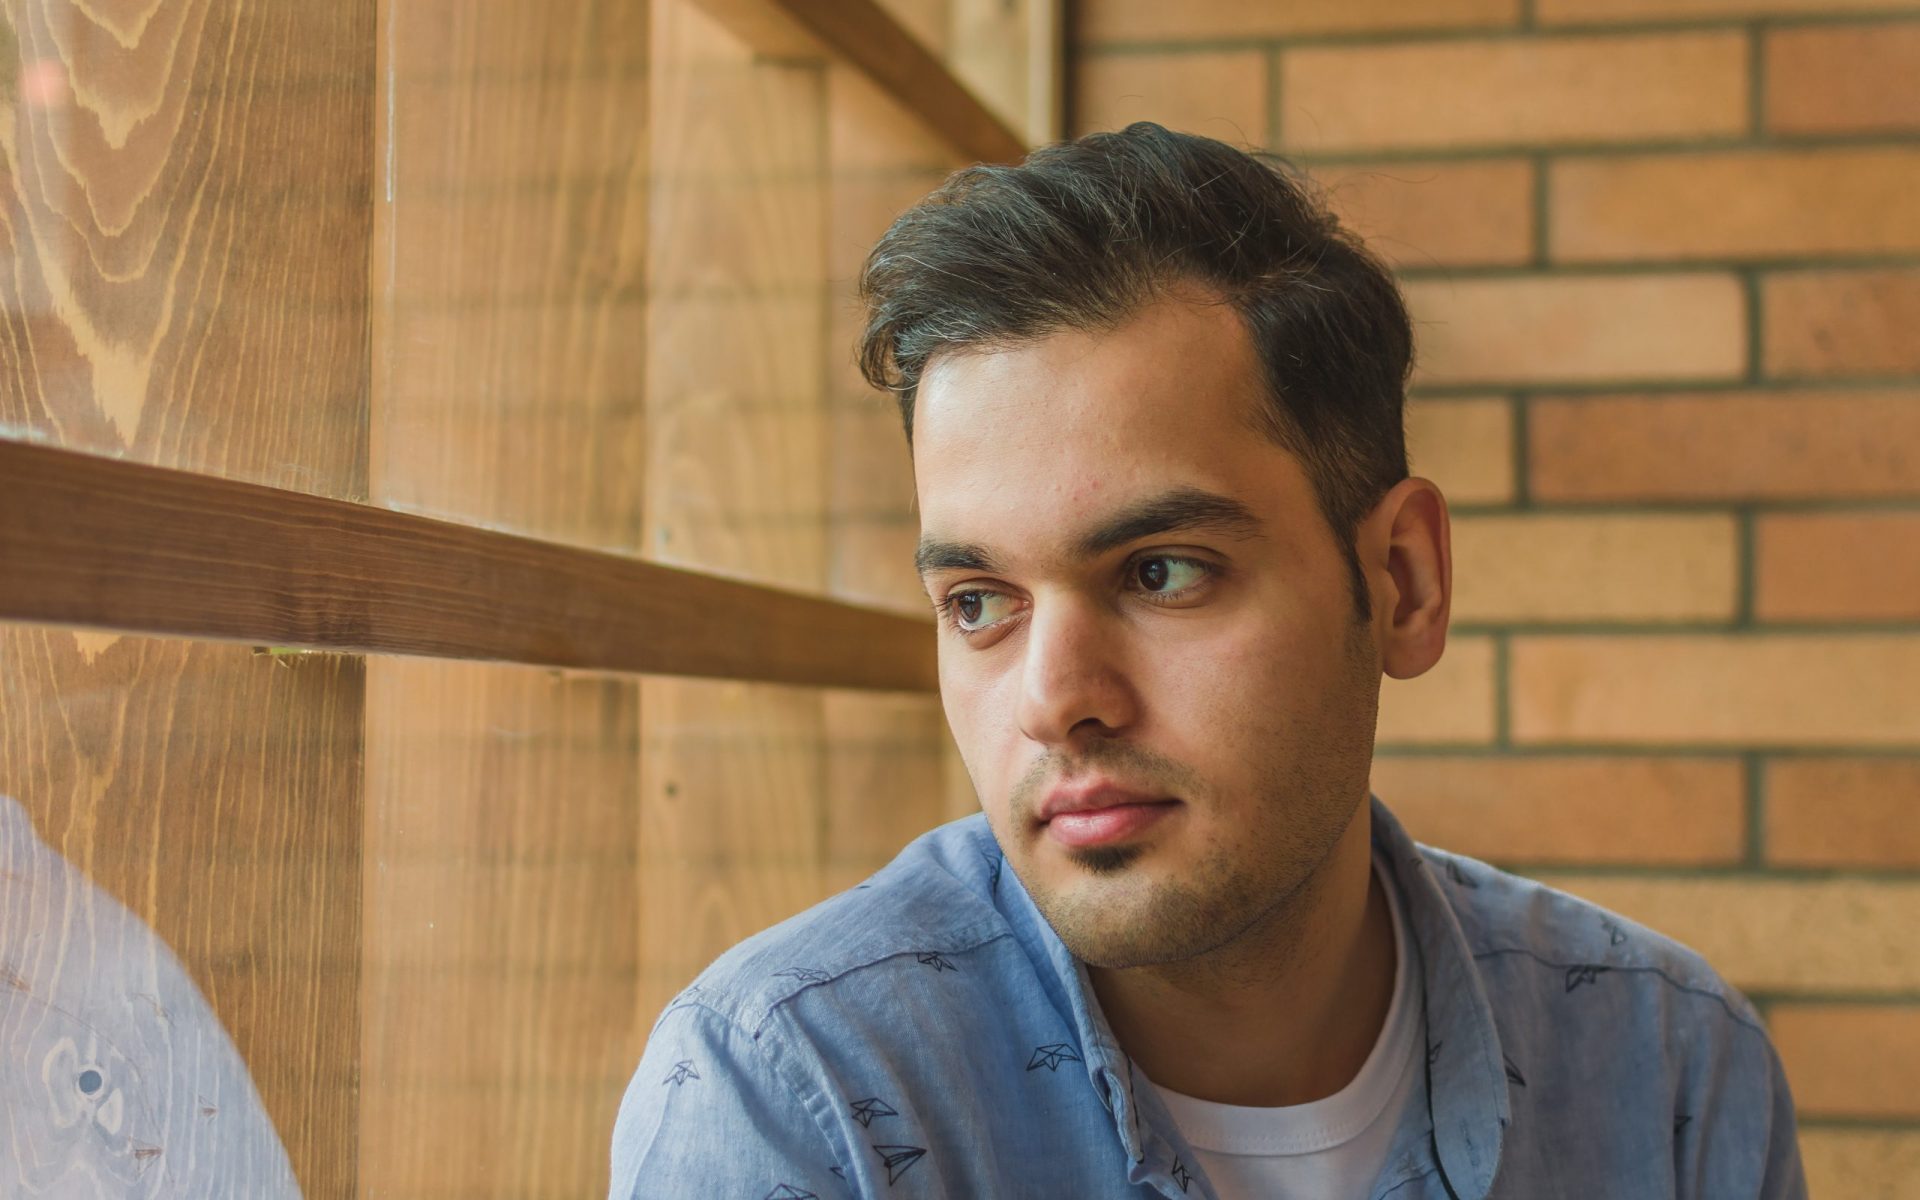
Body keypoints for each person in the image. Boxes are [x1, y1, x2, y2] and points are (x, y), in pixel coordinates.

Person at [608, 122, 1806, 1199]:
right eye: (979, 601)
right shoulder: (789, 1099)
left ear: (1402, 584)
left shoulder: (1669, 1070)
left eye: (1160, 572)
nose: (1053, 701)